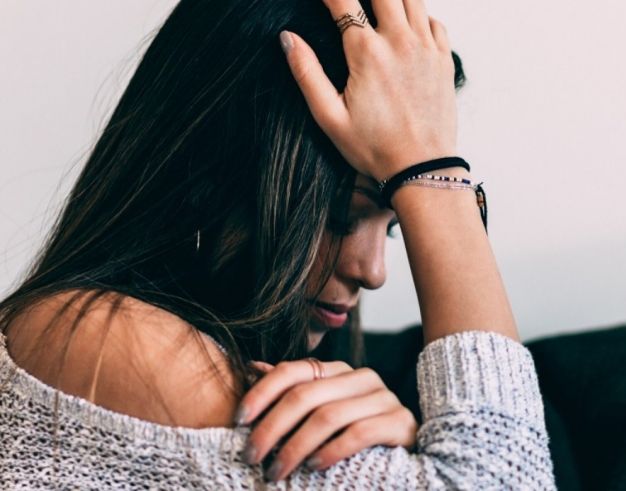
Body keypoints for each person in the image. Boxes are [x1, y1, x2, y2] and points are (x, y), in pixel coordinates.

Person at [0, 0, 556, 489]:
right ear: (210, 179)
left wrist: (405, 455)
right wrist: (431, 172)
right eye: (341, 214)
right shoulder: (96, 333)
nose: (375, 272)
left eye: (389, 227)